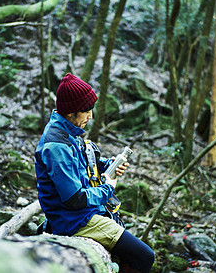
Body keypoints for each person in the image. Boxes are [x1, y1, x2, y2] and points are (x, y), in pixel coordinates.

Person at [35, 73, 155, 273]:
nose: (90, 116)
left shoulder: (69, 131)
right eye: (86, 111)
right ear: (71, 112)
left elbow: (83, 163)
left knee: (130, 253)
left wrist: (109, 164)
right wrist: (108, 188)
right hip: (74, 221)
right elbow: (74, 198)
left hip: (84, 213)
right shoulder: (57, 146)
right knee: (144, 256)